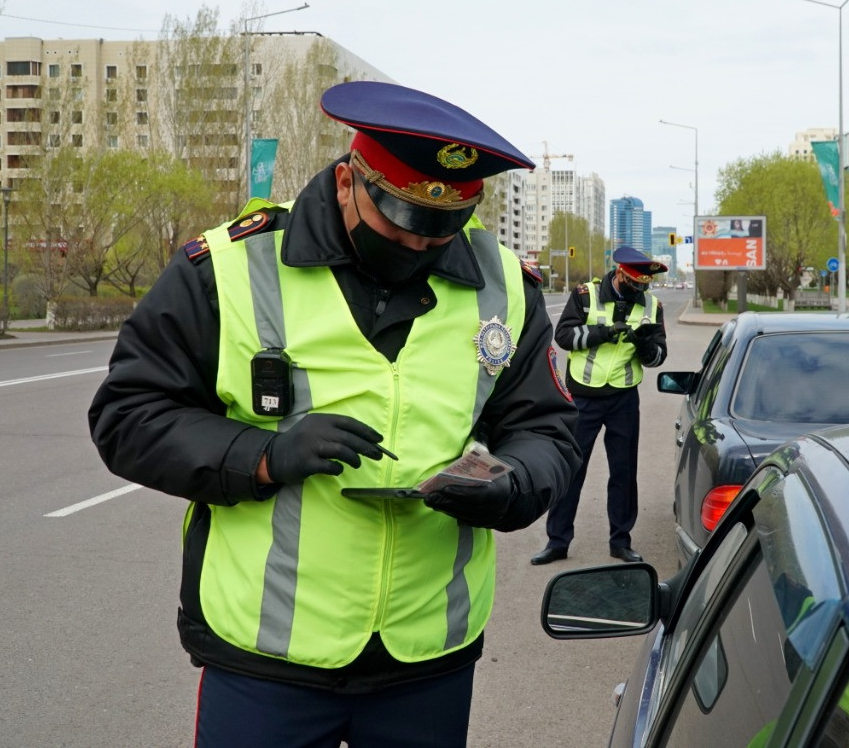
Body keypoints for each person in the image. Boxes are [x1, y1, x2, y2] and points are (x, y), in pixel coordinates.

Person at [88, 80, 580, 748]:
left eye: (445, 227)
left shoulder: (504, 287)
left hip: (425, 659)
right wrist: (260, 455)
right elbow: (127, 411)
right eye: (404, 218)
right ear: (350, 181)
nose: (420, 245)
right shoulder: (232, 268)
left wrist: (513, 481)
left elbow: (546, 430)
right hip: (266, 663)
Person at [531, 246, 668, 565]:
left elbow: (659, 357)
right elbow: (564, 336)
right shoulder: (585, 295)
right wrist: (604, 333)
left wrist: (646, 346)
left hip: (623, 397)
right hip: (583, 396)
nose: (639, 291)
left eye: (644, 286)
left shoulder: (652, 305)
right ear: (620, 274)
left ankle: (621, 541)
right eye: (635, 285)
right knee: (571, 470)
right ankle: (557, 542)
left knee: (624, 472)